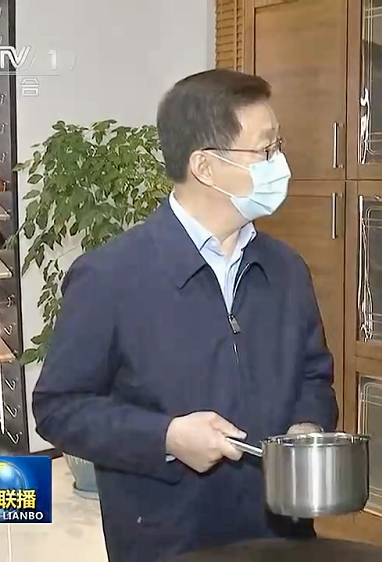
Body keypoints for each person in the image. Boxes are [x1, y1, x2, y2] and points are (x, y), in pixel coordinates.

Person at [31, 69, 337, 562]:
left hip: (281, 533)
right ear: (206, 167)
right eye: (265, 150)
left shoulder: (286, 268)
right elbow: (60, 408)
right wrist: (167, 438)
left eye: (278, 147)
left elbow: (312, 374)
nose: (279, 164)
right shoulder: (110, 276)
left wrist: (307, 426)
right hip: (168, 540)